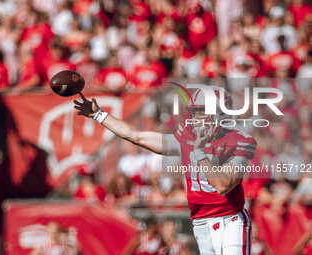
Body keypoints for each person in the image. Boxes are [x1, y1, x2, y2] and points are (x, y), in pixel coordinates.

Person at [74, 85, 256, 255]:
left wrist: (200, 152)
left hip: (230, 220)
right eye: (195, 112)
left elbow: (223, 185)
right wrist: (99, 114)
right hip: (200, 221)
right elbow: (137, 136)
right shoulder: (186, 138)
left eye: (202, 113)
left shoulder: (239, 142)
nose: (196, 119)